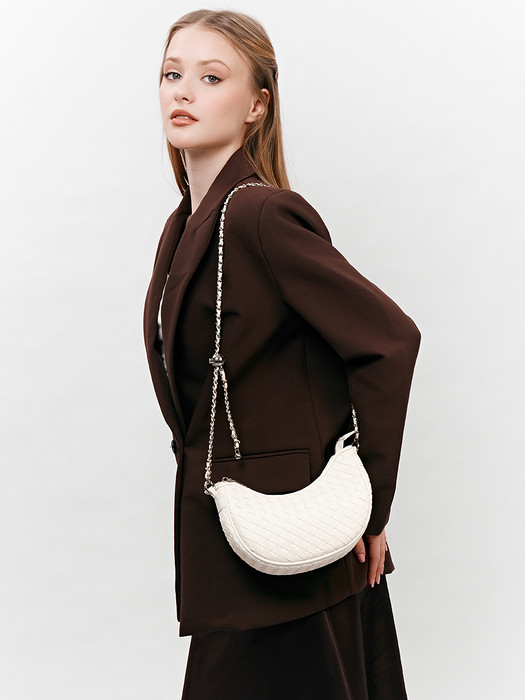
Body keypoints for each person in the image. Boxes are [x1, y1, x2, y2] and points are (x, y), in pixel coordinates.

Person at [143, 9, 421, 699]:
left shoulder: (260, 215)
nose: (183, 91)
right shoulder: (185, 225)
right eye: (172, 74)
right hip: (235, 547)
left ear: (256, 106)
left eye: (211, 77)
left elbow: (388, 341)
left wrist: (369, 507)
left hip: (292, 548)